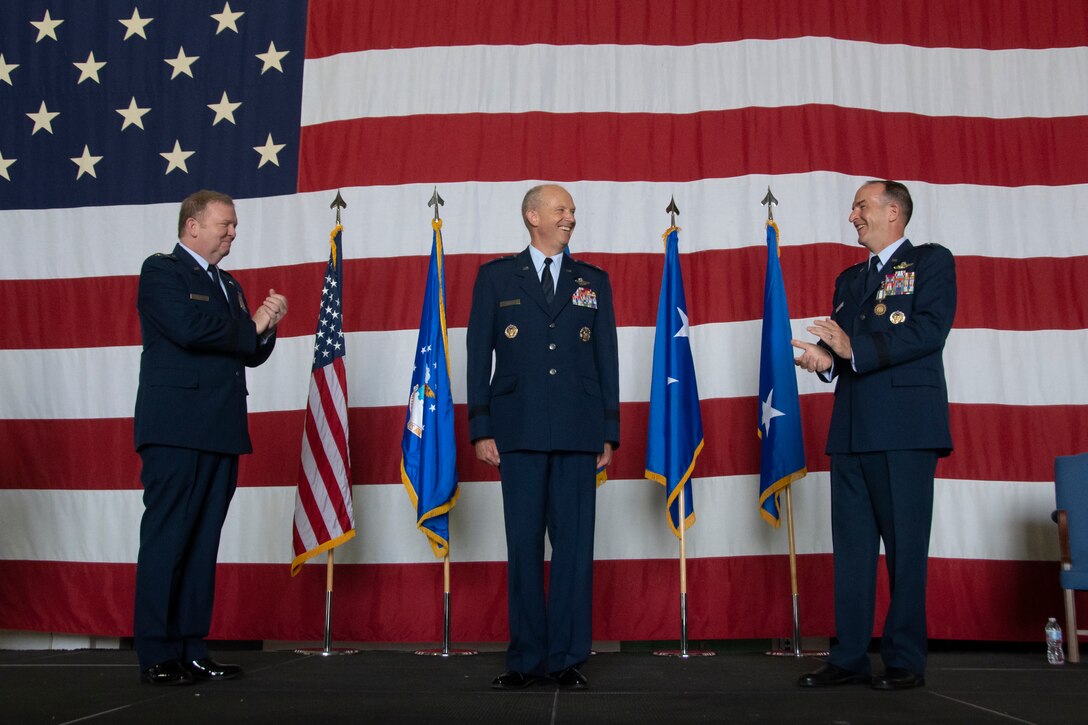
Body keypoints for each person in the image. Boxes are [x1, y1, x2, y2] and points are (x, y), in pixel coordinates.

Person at [792, 180, 956, 691]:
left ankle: (905, 659)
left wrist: (853, 348)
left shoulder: (931, 262)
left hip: (906, 427)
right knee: (853, 552)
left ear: (893, 212)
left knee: (906, 548)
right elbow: (842, 353)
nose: (852, 216)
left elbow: (929, 329)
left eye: (861, 206)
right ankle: (848, 657)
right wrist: (823, 360)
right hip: (851, 430)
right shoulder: (848, 279)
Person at [466, 184, 620, 690]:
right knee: (525, 547)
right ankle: (526, 659)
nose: (571, 217)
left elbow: (607, 360)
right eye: (561, 209)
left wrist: (609, 432)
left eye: (573, 210)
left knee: (574, 549)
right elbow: (475, 358)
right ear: (533, 216)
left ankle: (567, 657)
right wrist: (481, 427)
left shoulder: (592, 280)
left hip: (579, 431)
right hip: (519, 429)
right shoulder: (495, 278)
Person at [133, 190, 288, 686]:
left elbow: (247, 352)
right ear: (192, 226)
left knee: (202, 544)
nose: (232, 233)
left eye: (235, 225)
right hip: (175, 429)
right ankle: (157, 652)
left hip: (222, 429)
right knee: (168, 540)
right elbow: (188, 329)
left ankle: (192, 648)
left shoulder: (230, 285)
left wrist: (267, 328)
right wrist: (252, 325)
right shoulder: (161, 272)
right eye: (224, 223)